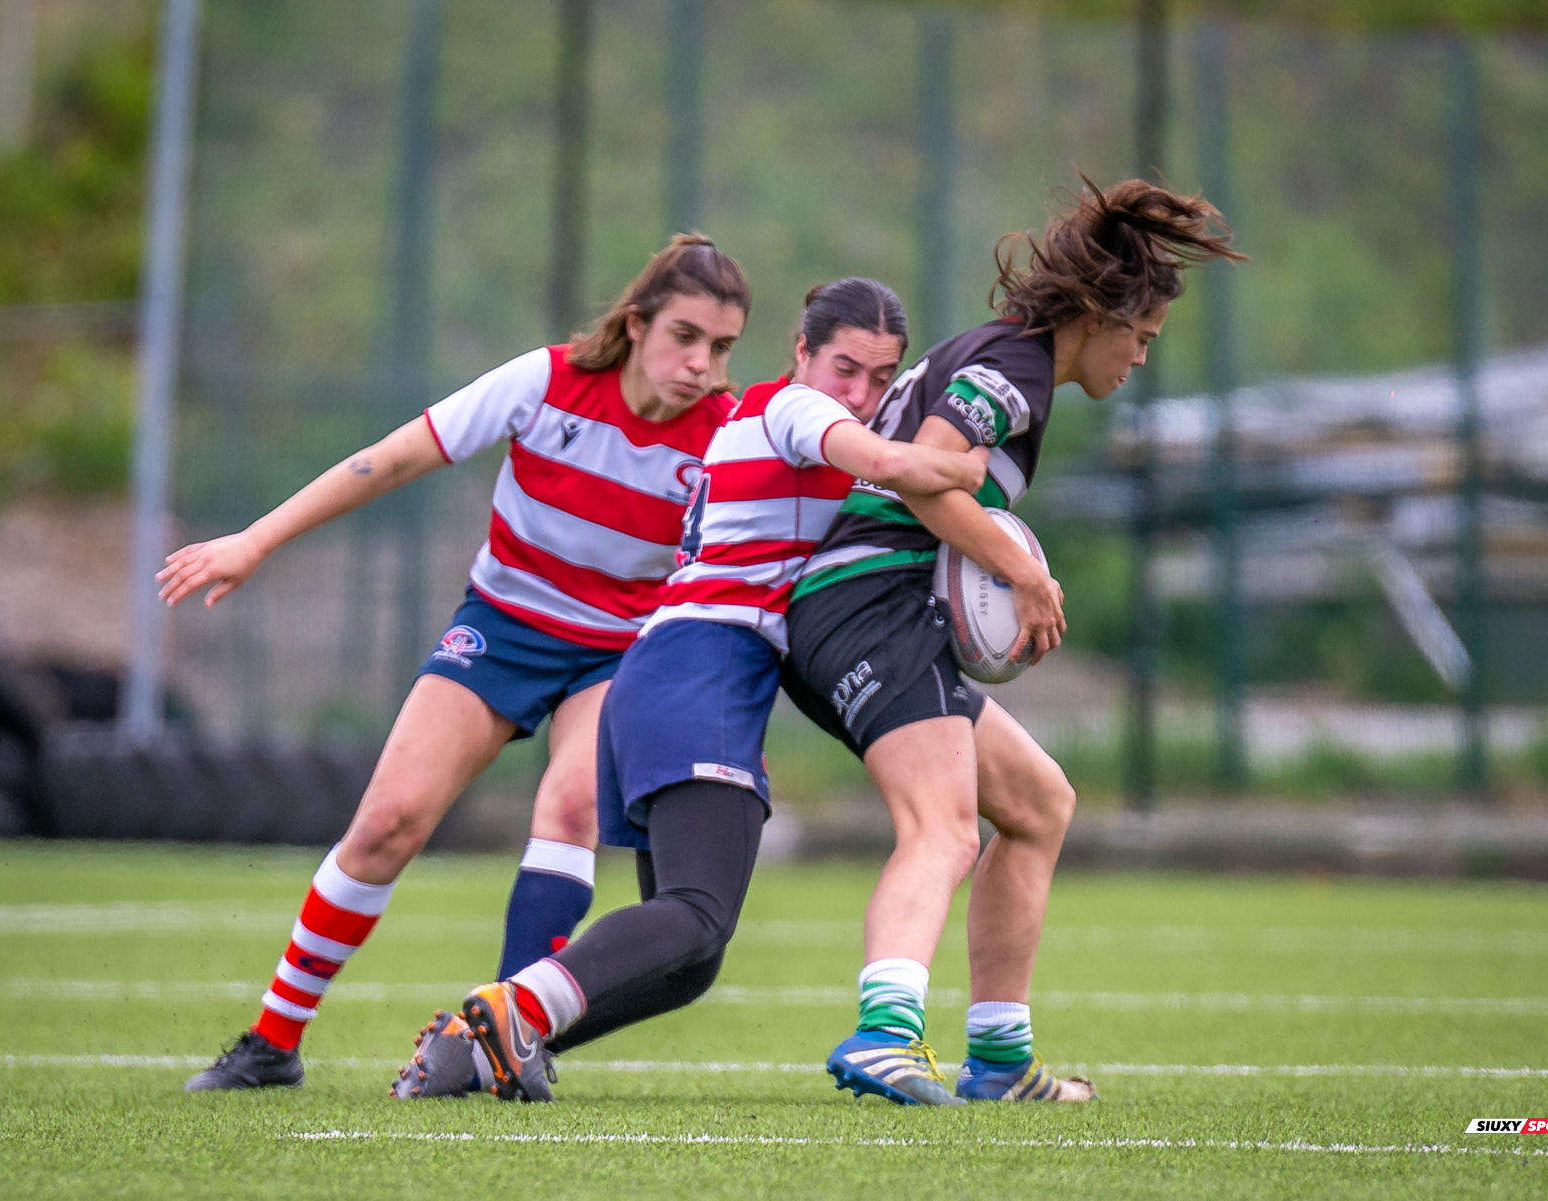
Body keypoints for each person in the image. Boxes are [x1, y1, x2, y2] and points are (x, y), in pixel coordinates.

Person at [161, 234, 752, 1091]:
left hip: (623, 648)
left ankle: (503, 1040)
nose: (702, 364)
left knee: (573, 803)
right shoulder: (546, 382)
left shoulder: (726, 437)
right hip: (504, 626)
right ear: (636, 324)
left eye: (722, 346)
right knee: (388, 821)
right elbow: (393, 458)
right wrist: (256, 539)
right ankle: (272, 1042)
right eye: (685, 336)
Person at [392, 278, 988, 1103]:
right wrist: (975, 462)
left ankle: (481, 1040)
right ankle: (511, 1007)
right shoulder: (794, 410)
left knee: (689, 960)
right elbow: (889, 463)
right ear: (801, 352)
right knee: (698, 911)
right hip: (702, 667)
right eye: (845, 368)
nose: (859, 394)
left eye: (881, 378)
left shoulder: (775, 421)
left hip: (676, 673)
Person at [782, 178, 1244, 1103]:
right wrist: (1023, 574)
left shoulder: (1013, 362)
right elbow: (923, 476)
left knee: (1037, 802)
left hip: (872, 604)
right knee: (944, 827)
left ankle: (998, 1060)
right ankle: (885, 1036)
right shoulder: (1013, 366)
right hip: (866, 603)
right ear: (1099, 316)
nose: (1140, 358)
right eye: (1141, 338)